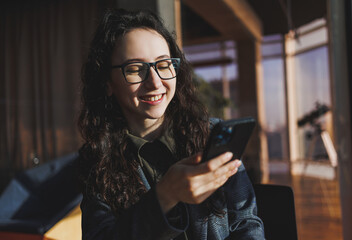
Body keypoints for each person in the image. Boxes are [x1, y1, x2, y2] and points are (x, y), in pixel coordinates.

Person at [78, 8, 265, 240]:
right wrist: (166, 195)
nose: (155, 83)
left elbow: (246, 223)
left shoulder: (210, 135)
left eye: (164, 65)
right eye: (136, 69)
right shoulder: (97, 159)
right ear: (107, 83)